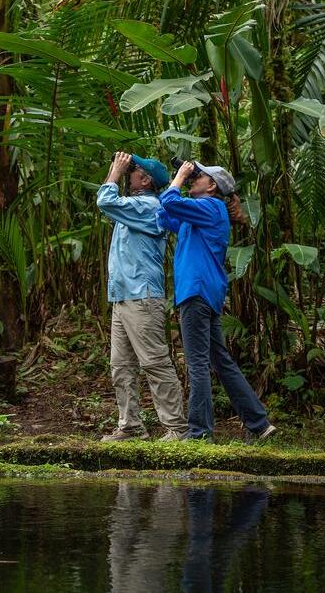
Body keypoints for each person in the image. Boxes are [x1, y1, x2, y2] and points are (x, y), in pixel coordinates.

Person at [158, 160, 276, 442]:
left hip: (196, 291)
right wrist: (179, 183)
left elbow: (169, 201)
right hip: (204, 292)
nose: (192, 179)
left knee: (197, 363)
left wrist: (180, 176)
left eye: (198, 177)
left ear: (211, 186)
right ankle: (259, 424)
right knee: (220, 361)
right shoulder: (201, 213)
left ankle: (199, 433)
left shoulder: (211, 207)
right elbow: (165, 215)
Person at [96, 152, 188, 442]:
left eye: (132, 171)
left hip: (143, 297)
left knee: (155, 362)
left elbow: (104, 201)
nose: (126, 172)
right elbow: (110, 202)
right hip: (123, 297)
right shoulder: (130, 207)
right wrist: (116, 171)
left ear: (145, 180)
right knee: (121, 366)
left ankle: (177, 428)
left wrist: (114, 173)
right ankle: (131, 425)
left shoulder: (150, 207)